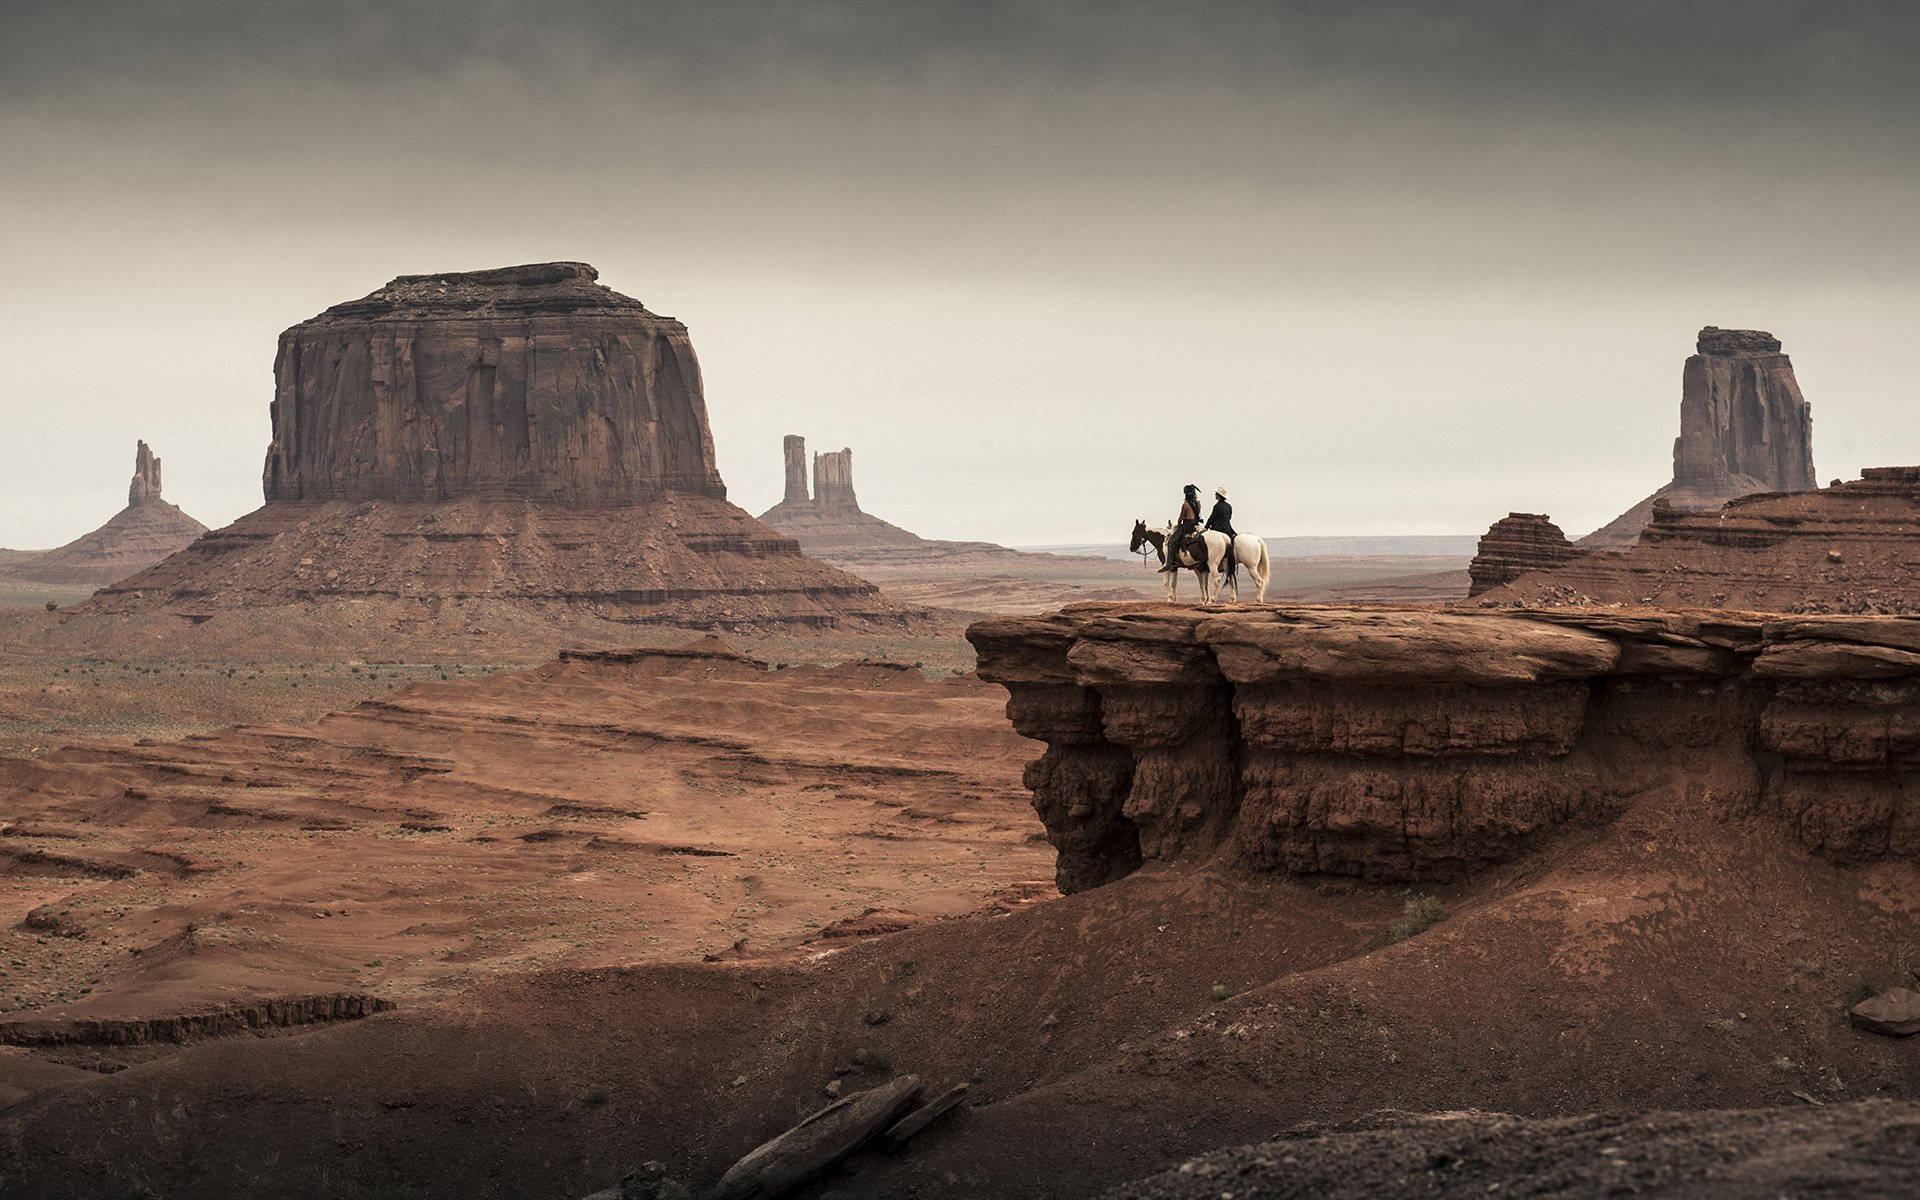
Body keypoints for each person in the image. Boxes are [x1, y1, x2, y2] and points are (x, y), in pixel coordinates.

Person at [1160, 484, 1204, 573]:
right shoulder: (1198, 503)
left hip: (1188, 526)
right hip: (1196, 525)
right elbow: (1197, 514)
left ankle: (1169, 563)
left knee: (1171, 541)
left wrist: (1179, 524)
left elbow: (1180, 517)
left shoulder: (1186, 504)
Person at [1205, 487, 1237, 582]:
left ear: (1218, 496)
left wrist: (1206, 527)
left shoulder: (1217, 506)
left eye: (1216, 494)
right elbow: (1229, 518)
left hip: (1218, 529)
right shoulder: (1229, 506)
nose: (1215, 495)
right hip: (1228, 529)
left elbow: (1212, 518)